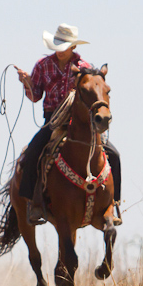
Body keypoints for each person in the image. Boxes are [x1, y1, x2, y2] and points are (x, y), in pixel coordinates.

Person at [15, 23, 122, 225]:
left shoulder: (84, 68)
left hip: (81, 121)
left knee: (114, 155)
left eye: (64, 45)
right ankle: (33, 203)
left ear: (73, 46)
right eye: (58, 45)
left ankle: (113, 202)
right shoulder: (42, 65)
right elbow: (35, 96)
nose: (60, 50)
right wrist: (27, 83)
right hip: (53, 120)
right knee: (32, 153)